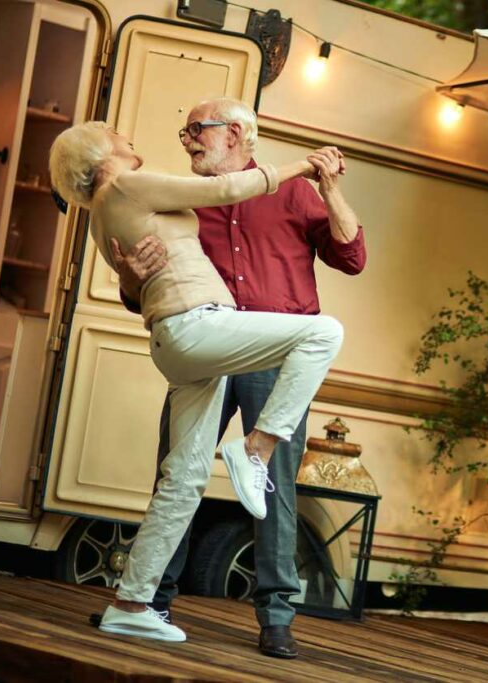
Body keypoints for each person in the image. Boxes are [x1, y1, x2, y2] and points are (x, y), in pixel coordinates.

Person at [49, 120, 346, 644]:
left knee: (183, 480)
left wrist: (132, 277)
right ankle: (256, 448)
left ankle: (132, 602)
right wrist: (307, 165)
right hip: (198, 327)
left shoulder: (103, 211)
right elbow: (226, 190)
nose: (126, 134)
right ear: (98, 153)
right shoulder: (124, 185)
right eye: (114, 132)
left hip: (184, 341)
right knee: (323, 333)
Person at [111, 97, 366, 658]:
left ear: (234, 133)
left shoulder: (294, 191)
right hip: (210, 349)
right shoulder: (181, 202)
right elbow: (144, 295)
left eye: (194, 130)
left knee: (273, 486)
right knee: (176, 470)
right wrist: (131, 279)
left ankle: (277, 617)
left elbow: (351, 256)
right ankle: (150, 598)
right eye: (185, 132)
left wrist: (330, 189)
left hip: (276, 357)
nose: (186, 141)